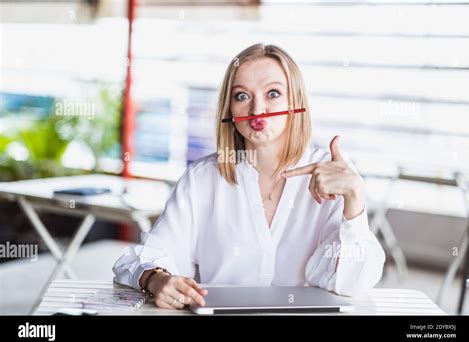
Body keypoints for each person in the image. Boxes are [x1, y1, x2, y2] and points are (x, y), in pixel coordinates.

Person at [113, 43, 385, 309]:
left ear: (296, 102)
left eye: (273, 93)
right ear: (229, 110)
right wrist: (156, 279)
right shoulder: (202, 178)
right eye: (242, 96)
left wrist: (355, 202)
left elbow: (352, 284)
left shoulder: (331, 175)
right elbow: (139, 259)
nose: (257, 110)